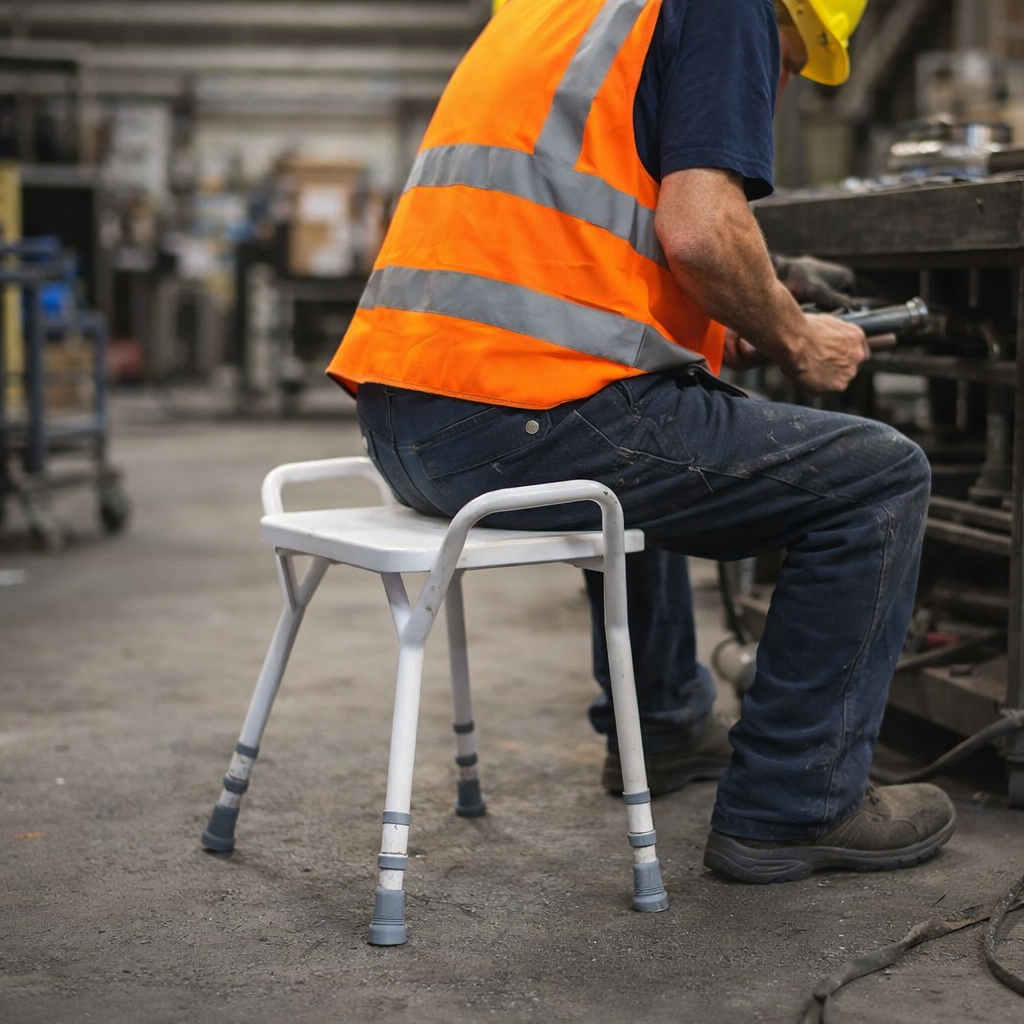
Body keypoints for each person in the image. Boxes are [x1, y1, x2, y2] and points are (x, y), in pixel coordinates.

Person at [326, 0, 957, 883]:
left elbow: (573, 232)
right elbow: (698, 230)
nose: (774, 82)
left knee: (658, 422)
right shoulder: (730, 6)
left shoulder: (565, 11)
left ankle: (662, 729)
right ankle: (795, 803)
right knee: (881, 478)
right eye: (788, 57)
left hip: (409, 426)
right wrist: (796, 336)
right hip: (518, 421)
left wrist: (741, 307)